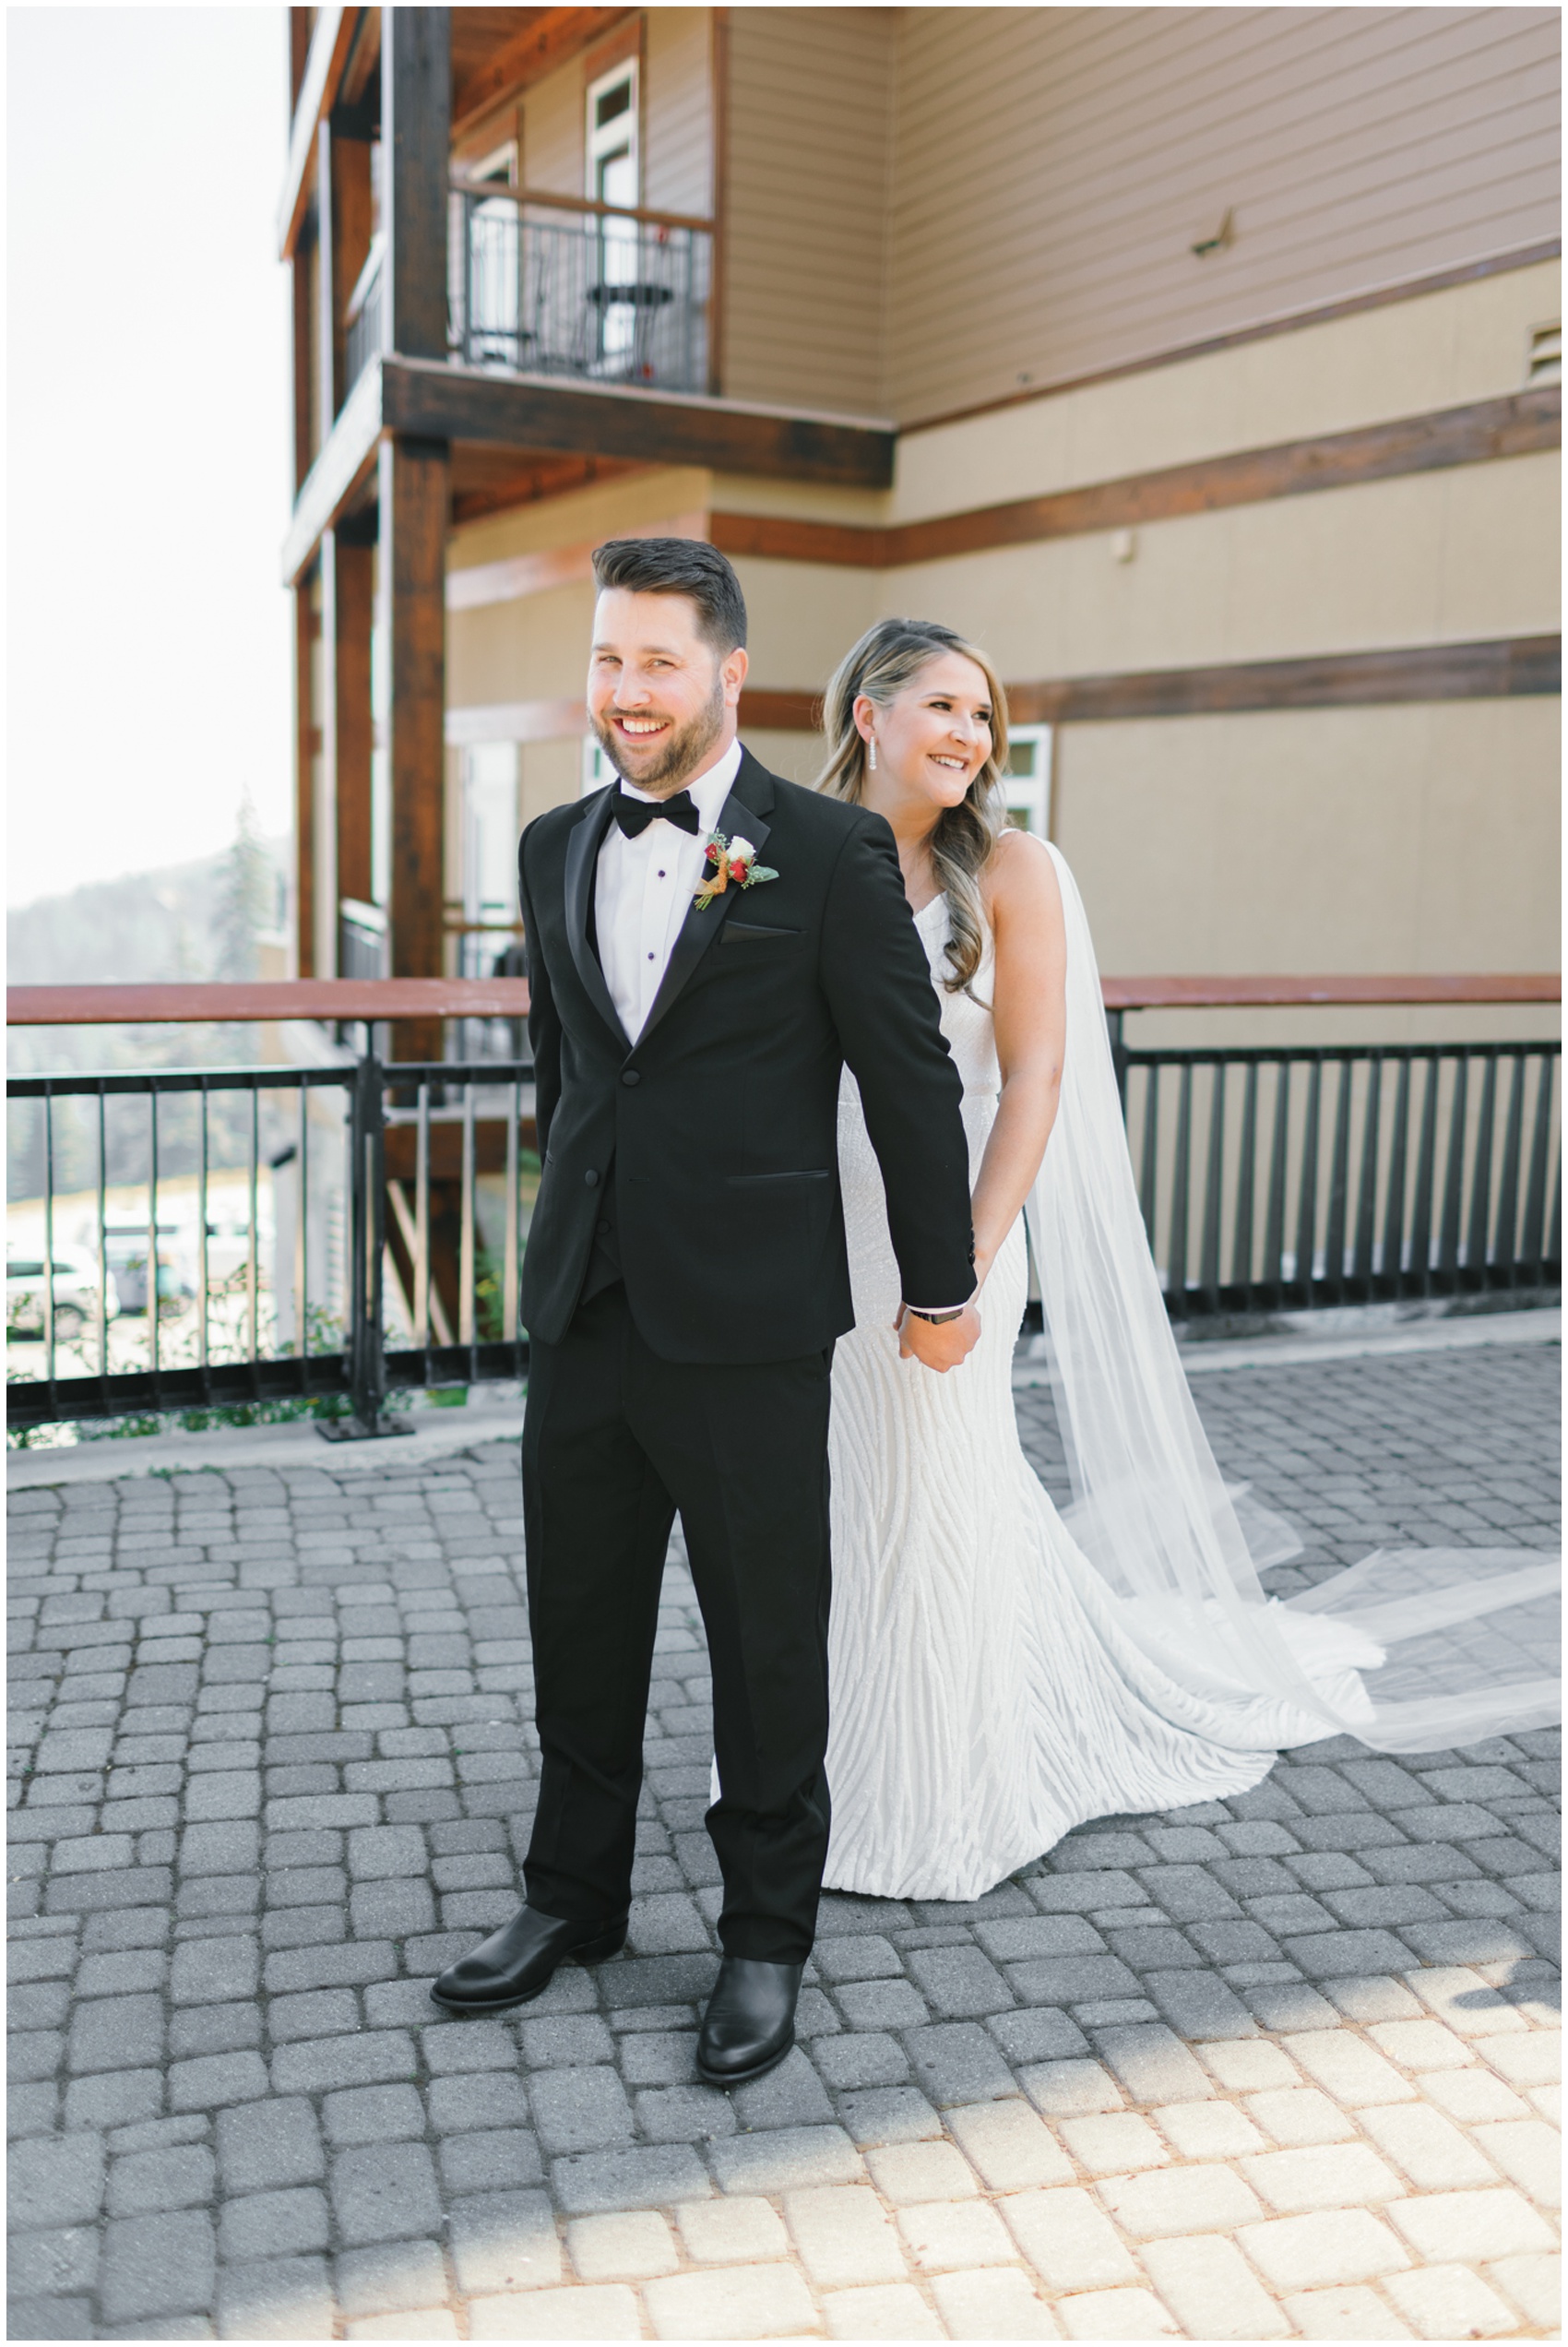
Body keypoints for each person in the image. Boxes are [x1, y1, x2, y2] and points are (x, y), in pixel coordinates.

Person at [818, 616, 1562, 1903]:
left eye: (983, 717)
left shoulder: (1014, 870)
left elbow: (1041, 1076)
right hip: (818, 1236)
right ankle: (824, 1751)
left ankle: (940, 1779)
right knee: (839, 1496)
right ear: (866, 716)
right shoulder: (795, 859)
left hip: (951, 1232)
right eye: (942, 706)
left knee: (941, 1492)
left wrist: (964, 1271)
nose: (967, 737)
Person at [432, 546, 980, 2082]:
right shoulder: (551, 845)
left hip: (748, 1322)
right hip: (589, 1309)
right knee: (580, 1622)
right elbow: (572, 1071)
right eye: (608, 662)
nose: (624, 695)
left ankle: (761, 1938)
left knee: (764, 1641)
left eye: (657, 664)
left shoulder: (828, 851)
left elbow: (908, 1080)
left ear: (730, 674)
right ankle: (571, 1900)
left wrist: (941, 1286)